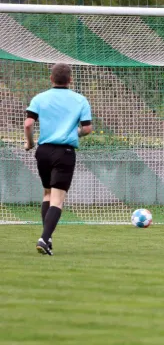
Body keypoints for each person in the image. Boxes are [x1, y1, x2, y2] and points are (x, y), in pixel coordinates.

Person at [24, 63, 93, 255]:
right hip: (65, 153)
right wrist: (73, 133)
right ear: (70, 80)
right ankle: (44, 239)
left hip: (43, 151)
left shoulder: (40, 98)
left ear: (51, 79)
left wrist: (29, 144)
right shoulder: (80, 100)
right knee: (58, 199)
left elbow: (28, 124)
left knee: (47, 193)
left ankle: (48, 237)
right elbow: (87, 129)